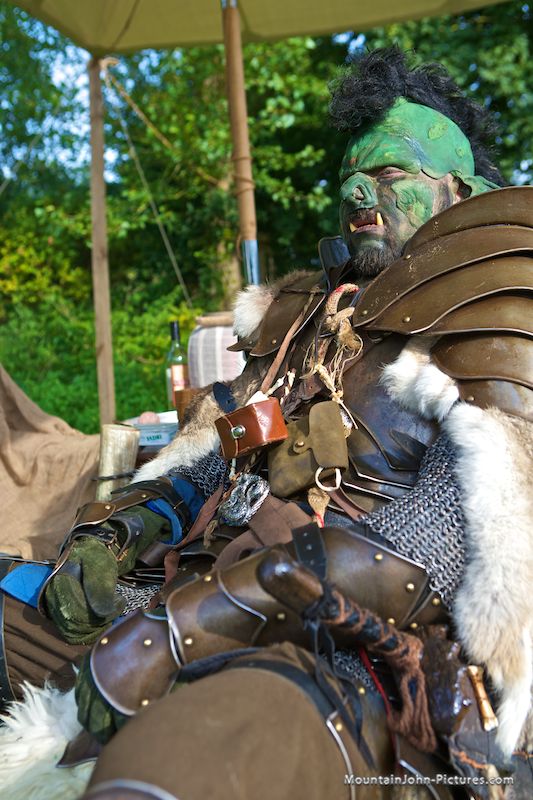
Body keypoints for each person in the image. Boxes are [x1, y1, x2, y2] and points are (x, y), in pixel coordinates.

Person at [1, 47, 532, 800]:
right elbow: (223, 451)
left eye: (388, 173)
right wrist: (119, 531)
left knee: (170, 773)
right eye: (349, 175)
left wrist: (193, 623)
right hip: (195, 587)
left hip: (339, 643)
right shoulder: (305, 323)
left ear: (461, 193)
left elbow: (441, 543)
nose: (357, 191)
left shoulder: (487, 327)